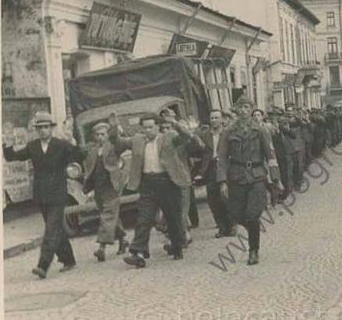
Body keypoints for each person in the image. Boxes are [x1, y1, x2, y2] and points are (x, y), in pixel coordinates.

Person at [111, 113, 203, 267]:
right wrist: (114, 127)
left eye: (150, 127)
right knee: (143, 219)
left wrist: (175, 122)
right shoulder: (137, 141)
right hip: (148, 184)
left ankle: (177, 246)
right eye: (145, 127)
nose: (147, 130)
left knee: (173, 217)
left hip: (167, 182)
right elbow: (117, 142)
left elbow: (188, 138)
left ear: (157, 127)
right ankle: (137, 252)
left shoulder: (169, 137)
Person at [3, 111, 85, 279]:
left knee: (51, 229)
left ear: (51, 128)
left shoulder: (61, 145)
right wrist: (7, 143)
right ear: (36, 130)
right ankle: (68, 260)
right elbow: (12, 157)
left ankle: (43, 265)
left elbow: (80, 155)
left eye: (45, 127)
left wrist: (72, 142)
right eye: (39, 128)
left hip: (58, 194)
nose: (42, 131)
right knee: (55, 229)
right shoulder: (33, 146)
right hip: (41, 195)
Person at [218, 96, 281, 266]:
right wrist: (222, 181)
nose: (244, 111)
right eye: (241, 108)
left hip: (257, 176)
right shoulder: (228, 132)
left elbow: (271, 156)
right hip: (236, 176)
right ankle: (253, 230)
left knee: (253, 215)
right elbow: (222, 158)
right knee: (235, 214)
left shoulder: (260, 130)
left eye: (247, 107)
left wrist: (276, 179)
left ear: (252, 109)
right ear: (236, 110)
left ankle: (254, 250)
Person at [83, 122, 128, 262]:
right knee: (110, 215)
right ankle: (123, 239)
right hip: (98, 188)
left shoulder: (114, 147)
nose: (100, 137)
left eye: (103, 134)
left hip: (112, 187)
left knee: (107, 216)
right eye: (97, 135)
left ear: (107, 135)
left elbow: (118, 141)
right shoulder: (92, 149)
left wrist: (115, 126)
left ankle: (101, 247)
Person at [197, 109, 234, 238]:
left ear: (222, 119)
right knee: (213, 199)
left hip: (225, 167)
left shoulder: (228, 133)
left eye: (216, 118)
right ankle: (222, 227)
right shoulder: (205, 135)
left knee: (226, 196)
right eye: (212, 118)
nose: (214, 120)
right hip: (210, 168)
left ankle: (231, 225)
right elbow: (198, 150)